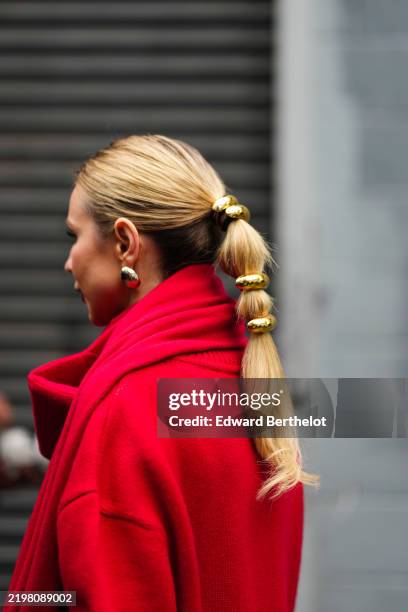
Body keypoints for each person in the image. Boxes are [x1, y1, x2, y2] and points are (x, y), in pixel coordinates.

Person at [8, 135, 317, 611]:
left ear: (126, 244)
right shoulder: (254, 383)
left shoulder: (125, 411)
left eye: (75, 236)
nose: (69, 261)